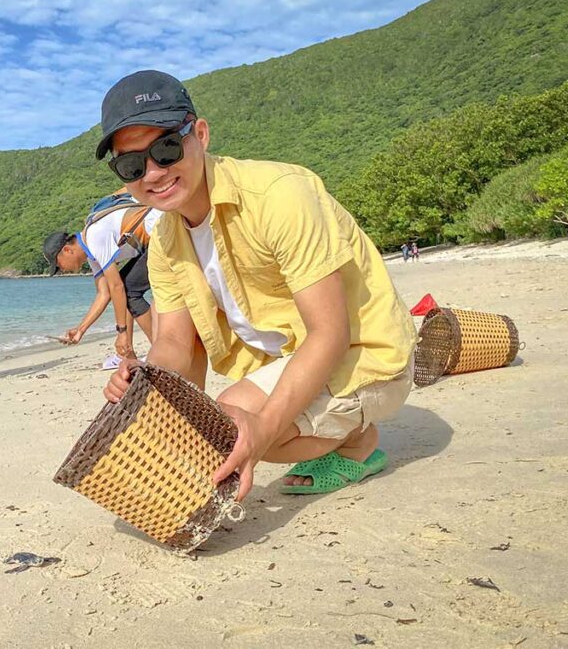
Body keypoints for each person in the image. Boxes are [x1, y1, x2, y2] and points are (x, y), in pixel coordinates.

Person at [97, 70, 416, 500]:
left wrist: (262, 430)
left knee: (230, 424)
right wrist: (145, 380)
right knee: (203, 425)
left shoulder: (280, 195)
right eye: (133, 164)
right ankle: (319, 426)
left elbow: (330, 332)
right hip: (289, 358)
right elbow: (174, 343)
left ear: (201, 135)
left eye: (167, 148)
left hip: (366, 355)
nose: (153, 173)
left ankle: (358, 441)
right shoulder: (167, 241)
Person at [43, 191, 163, 358]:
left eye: (58, 264)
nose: (61, 269)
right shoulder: (90, 250)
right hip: (154, 239)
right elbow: (104, 293)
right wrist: (80, 330)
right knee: (127, 288)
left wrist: (121, 332)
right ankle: (144, 353)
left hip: (162, 232)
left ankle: (161, 352)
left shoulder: (94, 237)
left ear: (67, 250)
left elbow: (117, 287)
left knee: (129, 291)